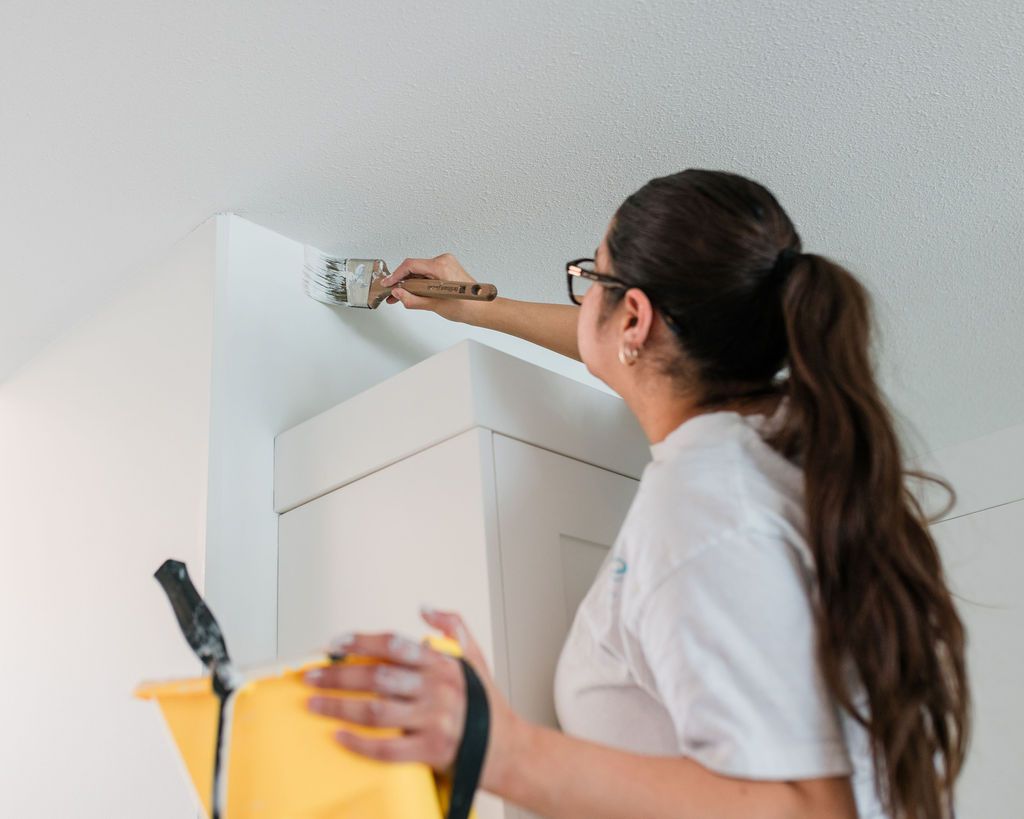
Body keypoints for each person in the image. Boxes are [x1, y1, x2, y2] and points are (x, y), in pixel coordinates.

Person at [303, 169, 969, 819]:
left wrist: (502, 750)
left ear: (635, 318)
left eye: (590, 279)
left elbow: (812, 808)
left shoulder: (710, 505)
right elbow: (626, 348)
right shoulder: (775, 446)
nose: (582, 297)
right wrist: (479, 307)